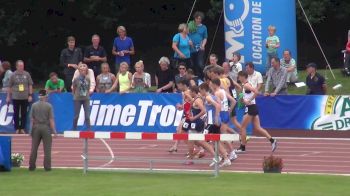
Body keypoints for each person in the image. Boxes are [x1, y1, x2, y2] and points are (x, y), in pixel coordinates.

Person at [236, 71, 277, 153]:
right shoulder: (245, 85)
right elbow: (249, 96)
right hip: (253, 107)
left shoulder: (247, 85)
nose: (238, 78)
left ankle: (242, 147)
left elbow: (256, 92)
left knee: (242, 127)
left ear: (243, 76)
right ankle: (272, 140)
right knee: (258, 128)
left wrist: (249, 100)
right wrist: (243, 100)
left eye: (239, 77)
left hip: (251, 108)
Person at [199, 83, 235, 166]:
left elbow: (218, 105)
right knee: (216, 141)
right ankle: (226, 159)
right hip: (216, 122)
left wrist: (216, 116)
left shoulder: (208, 97)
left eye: (201, 91)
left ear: (204, 90)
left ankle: (216, 157)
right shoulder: (214, 96)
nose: (200, 93)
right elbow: (219, 104)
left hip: (212, 122)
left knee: (201, 140)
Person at [29, 89, 57, 171]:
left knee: (34, 148)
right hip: (45, 127)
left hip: (36, 127)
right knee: (47, 149)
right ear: (46, 96)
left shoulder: (34, 105)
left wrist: (31, 130)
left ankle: (32, 166)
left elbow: (32, 119)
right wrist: (54, 131)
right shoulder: (49, 106)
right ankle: (47, 167)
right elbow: (51, 119)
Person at [6, 60, 33, 134]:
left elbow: (30, 85)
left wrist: (30, 95)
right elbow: (9, 86)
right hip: (16, 97)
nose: (22, 67)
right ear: (17, 66)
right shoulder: (13, 75)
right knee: (16, 113)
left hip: (25, 97)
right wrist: (8, 96)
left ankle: (22, 128)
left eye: (23, 66)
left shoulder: (27, 74)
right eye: (20, 66)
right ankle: (17, 128)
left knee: (24, 113)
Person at [72, 63, 91, 130]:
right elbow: (74, 88)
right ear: (79, 71)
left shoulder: (88, 79)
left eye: (84, 70)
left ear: (86, 71)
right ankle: (74, 128)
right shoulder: (76, 79)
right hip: (77, 98)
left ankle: (89, 129)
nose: (83, 72)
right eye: (81, 70)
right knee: (76, 116)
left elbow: (88, 88)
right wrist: (74, 96)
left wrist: (87, 94)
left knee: (87, 116)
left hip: (86, 98)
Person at [189, 11, 208, 78]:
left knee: (200, 64)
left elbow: (205, 38)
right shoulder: (190, 25)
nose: (199, 20)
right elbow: (185, 35)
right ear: (195, 18)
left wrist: (203, 45)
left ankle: (203, 78)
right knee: (191, 64)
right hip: (190, 48)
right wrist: (189, 41)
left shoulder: (204, 27)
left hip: (200, 48)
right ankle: (194, 78)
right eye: (197, 18)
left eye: (200, 19)